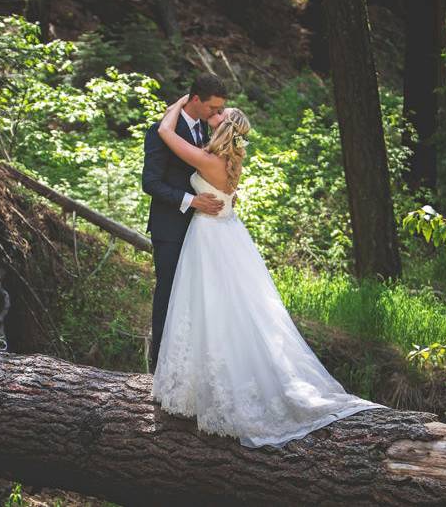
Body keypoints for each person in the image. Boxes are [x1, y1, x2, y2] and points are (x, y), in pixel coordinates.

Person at [150, 95, 387, 449]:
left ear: (225, 128)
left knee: (210, 307)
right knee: (225, 309)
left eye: (219, 114)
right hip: (224, 232)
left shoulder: (210, 160)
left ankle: (214, 388)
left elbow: (166, 133)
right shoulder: (229, 162)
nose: (213, 115)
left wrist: (182, 101)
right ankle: (203, 384)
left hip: (211, 238)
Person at [141, 73, 228, 375]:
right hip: (170, 229)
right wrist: (192, 201)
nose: (216, 115)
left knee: (196, 297)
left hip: (201, 230)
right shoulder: (160, 131)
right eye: (212, 108)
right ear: (194, 100)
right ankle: (158, 369)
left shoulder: (206, 129)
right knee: (169, 294)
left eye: (220, 110)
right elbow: (150, 183)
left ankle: (189, 366)